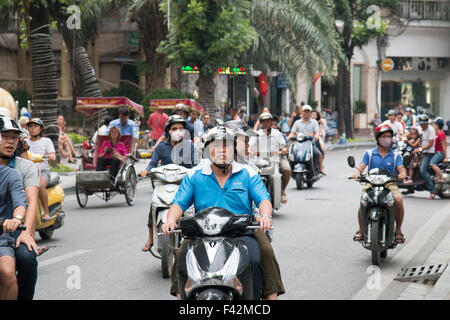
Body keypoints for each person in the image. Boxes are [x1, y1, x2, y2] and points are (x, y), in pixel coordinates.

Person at [162, 126, 274, 300]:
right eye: (217, 146)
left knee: (260, 255)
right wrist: (170, 219)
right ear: (207, 150)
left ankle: (266, 299)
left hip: (242, 232)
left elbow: (263, 200)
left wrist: (265, 216)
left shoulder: (247, 173)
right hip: (202, 233)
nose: (223, 150)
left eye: (227, 145)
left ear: (233, 149)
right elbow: (179, 203)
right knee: (181, 257)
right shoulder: (195, 175)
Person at [224, 120, 285, 299]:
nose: (248, 146)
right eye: (244, 141)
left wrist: (262, 216)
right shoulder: (207, 168)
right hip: (211, 226)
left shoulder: (249, 170)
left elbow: (261, 199)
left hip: (245, 224)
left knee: (265, 252)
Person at [139, 115, 196, 252]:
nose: (178, 131)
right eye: (174, 128)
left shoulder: (189, 146)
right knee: (154, 205)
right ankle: (151, 239)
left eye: (181, 128)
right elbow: (152, 163)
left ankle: (195, 237)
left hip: (184, 184)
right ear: (168, 131)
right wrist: (146, 171)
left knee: (195, 209)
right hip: (164, 184)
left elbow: (196, 165)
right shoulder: (160, 148)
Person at [0, 116, 41, 300]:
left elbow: (30, 202)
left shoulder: (25, 167)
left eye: (14, 137)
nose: (10, 141)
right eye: (5, 136)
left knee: (26, 259)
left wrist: (26, 233)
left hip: (16, 229)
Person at [352, 124, 407, 244]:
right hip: (371, 183)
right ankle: (361, 230)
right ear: (378, 138)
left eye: (389, 136)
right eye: (384, 136)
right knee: (364, 202)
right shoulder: (370, 153)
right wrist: (357, 173)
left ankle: (398, 230)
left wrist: (402, 174)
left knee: (398, 201)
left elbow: (401, 169)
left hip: (389, 184)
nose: (387, 139)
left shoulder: (396, 155)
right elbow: (361, 167)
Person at [250, 112, 291, 204]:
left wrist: (283, 150)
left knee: (287, 169)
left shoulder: (277, 134)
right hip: (259, 161)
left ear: (271, 122)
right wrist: (253, 151)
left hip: (276, 159)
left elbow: (283, 146)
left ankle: (282, 191)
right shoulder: (256, 134)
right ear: (260, 123)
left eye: (268, 121)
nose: (266, 123)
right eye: (264, 122)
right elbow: (250, 146)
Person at [25, 118, 56, 222]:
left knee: (40, 185)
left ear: (41, 128)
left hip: (42, 171)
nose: (32, 129)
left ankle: (46, 212)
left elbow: (52, 154)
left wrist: (50, 155)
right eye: (30, 126)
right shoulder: (25, 142)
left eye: (35, 126)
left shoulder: (46, 141)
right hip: (27, 172)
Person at [288, 105, 325, 175]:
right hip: (298, 144)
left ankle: (320, 169)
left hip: (310, 143)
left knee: (318, 153)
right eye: (305, 111)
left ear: (310, 113)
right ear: (302, 112)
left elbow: (316, 133)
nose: (306, 113)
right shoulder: (297, 122)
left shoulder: (314, 122)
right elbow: (292, 133)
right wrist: (288, 138)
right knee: (290, 154)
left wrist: (316, 136)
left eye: (308, 111)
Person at [414, 114, 436, 197]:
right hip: (421, 151)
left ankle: (432, 190)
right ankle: (410, 187)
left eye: (425, 124)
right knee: (411, 165)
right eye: (421, 124)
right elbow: (412, 132)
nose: (423, 125)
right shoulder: (419, 128)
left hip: (428, 152)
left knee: (422, 170)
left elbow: (430, 144)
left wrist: (420, 149)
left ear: (427, 123)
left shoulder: (431, 130)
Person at [429, 118, 447, 199]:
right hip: (436, 152)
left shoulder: (441, 134)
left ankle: (442, 177)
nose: (433, 126)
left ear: (437, 125)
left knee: (432, 163)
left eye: (434, 124)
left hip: (440, 153)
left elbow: (444, 146)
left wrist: (445, 156)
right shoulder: (436, 133)